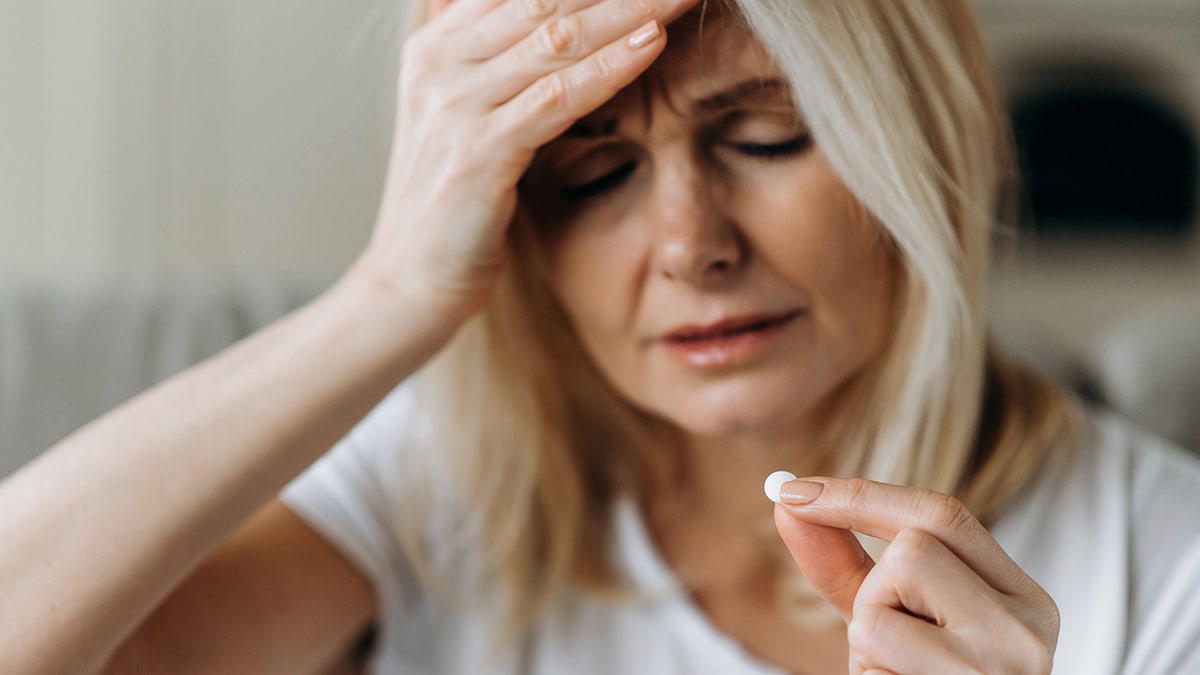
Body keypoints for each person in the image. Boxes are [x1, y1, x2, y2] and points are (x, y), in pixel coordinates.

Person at [2, 0, 1199, 672]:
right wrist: (388, 294)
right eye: (593, 175)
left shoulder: (1164, 554)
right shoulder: (432, 485)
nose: (689, 245)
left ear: (919, 140)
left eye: (768, 138)